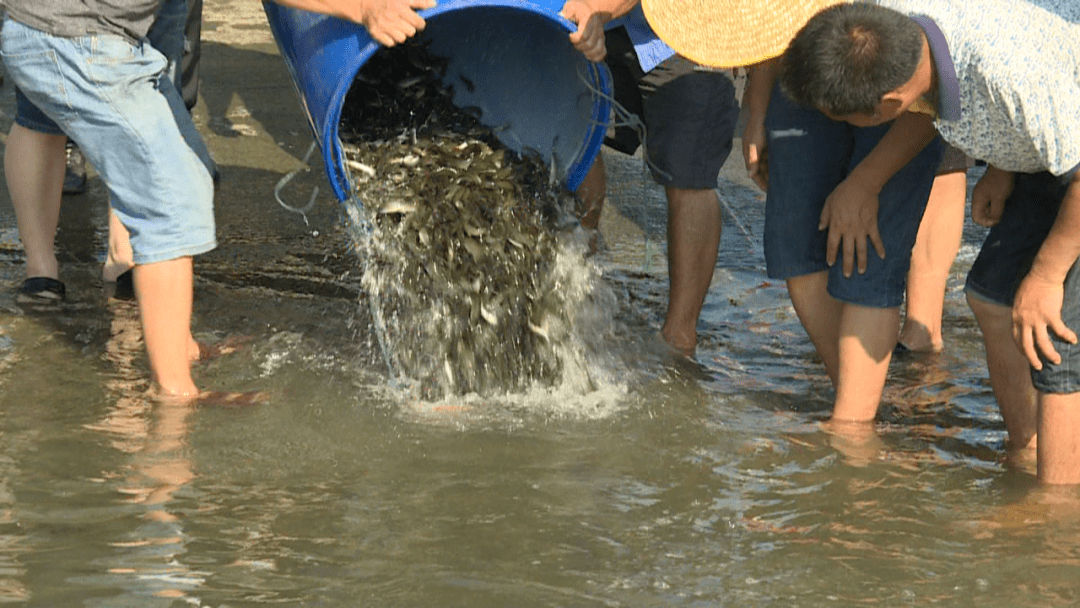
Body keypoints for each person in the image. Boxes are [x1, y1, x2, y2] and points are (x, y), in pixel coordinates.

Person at [1, 0, 434, 398]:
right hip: (71, 38)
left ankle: (178, 344)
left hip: (101, 25)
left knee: (187, 173)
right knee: (169, 199)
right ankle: (174, 392)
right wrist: (362, 7)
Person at [780, 1, 1080, 484]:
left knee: (1054, 329)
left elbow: (1037, 90)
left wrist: (1046, 278)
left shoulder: (1006, 73)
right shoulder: (902, 31)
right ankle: (1028, 449)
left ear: (889, 106)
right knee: (991, 299)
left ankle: (1056, 507)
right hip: (1060, 140)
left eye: (847, 119)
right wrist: (1003, 166)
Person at [640, 0, 944, 432]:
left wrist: (865, 184)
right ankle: (855, 399)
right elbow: (771, 21)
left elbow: (937, 95)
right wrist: (758, 111)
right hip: (799, 70)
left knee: (870, 261)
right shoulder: (785, 26)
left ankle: (853, 424)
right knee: (794, 244)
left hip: (900, 71)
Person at [562, 0, 739, 359]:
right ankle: (573, 290)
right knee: (569, 143)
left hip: (682, 30)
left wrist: (597, 9)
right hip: (571, 21)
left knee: (690, 173)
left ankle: (680, 336)